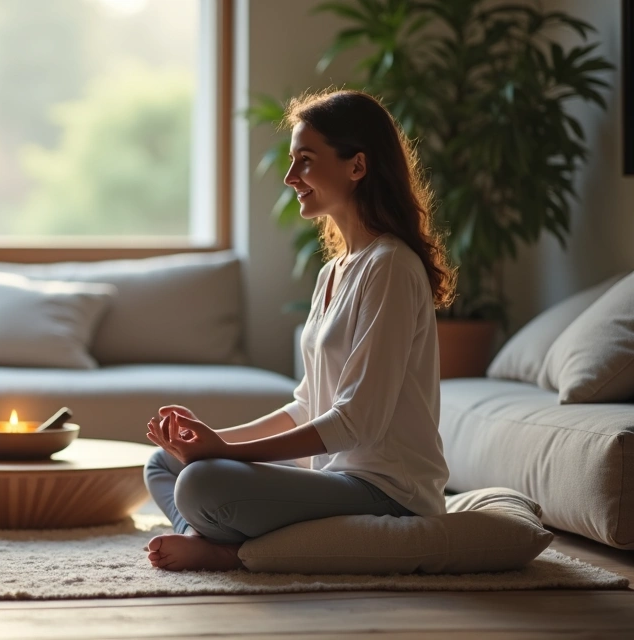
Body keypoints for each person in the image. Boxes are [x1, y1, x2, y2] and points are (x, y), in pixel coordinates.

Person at [142, 89, 456, 571]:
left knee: (201, 482)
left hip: (387, 491)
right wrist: (206, 441)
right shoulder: (335, 271)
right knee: (165, 463)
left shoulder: (391, 266)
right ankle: (202, 536)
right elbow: (309, 403)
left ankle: (230, 551)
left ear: (357, 166)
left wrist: (224, 452)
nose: (290, 177)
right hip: (334, 478)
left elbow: (358, 422)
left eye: (305, 161)